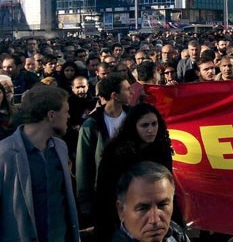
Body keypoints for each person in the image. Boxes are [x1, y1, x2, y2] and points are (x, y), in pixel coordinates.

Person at [0, 85, 80, 241]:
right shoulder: (4, 155)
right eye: (65, 111)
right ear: (51, 115)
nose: (69, 116)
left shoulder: (61, 148)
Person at [94, 103, 180, 240]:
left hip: (156, 217)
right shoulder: (116, 153)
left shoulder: (162, 149)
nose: (151, 130)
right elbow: (105, 192)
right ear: (134, 126)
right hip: (122, 218)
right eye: (144, 125)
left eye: (154, 124)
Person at [76, 73, 132, 227]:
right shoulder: (91, 125)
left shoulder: (134, 117)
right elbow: (83, 166)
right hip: (105, 196)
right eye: (127, 90)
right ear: (115, 95)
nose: (132, 92)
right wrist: (86, 204)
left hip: (134, 191)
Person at [113, 161, 190, 242]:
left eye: (162, 205)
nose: (155, 220)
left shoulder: (177, 234)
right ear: (121, 210)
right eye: (143, 208)